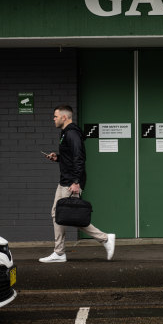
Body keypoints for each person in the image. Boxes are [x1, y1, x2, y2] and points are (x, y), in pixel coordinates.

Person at [39, 105, 115, 263]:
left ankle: (105, 238)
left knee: (72, 216)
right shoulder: (65, 133)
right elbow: (70, 156)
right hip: (64, 180)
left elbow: (79, 158)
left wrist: (76, 182)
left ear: (64, 117)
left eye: (55, 116)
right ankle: (59, 252)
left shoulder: (72, 133)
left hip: (71, 182)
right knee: (57, 214)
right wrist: (57, 158)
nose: (53, 119)